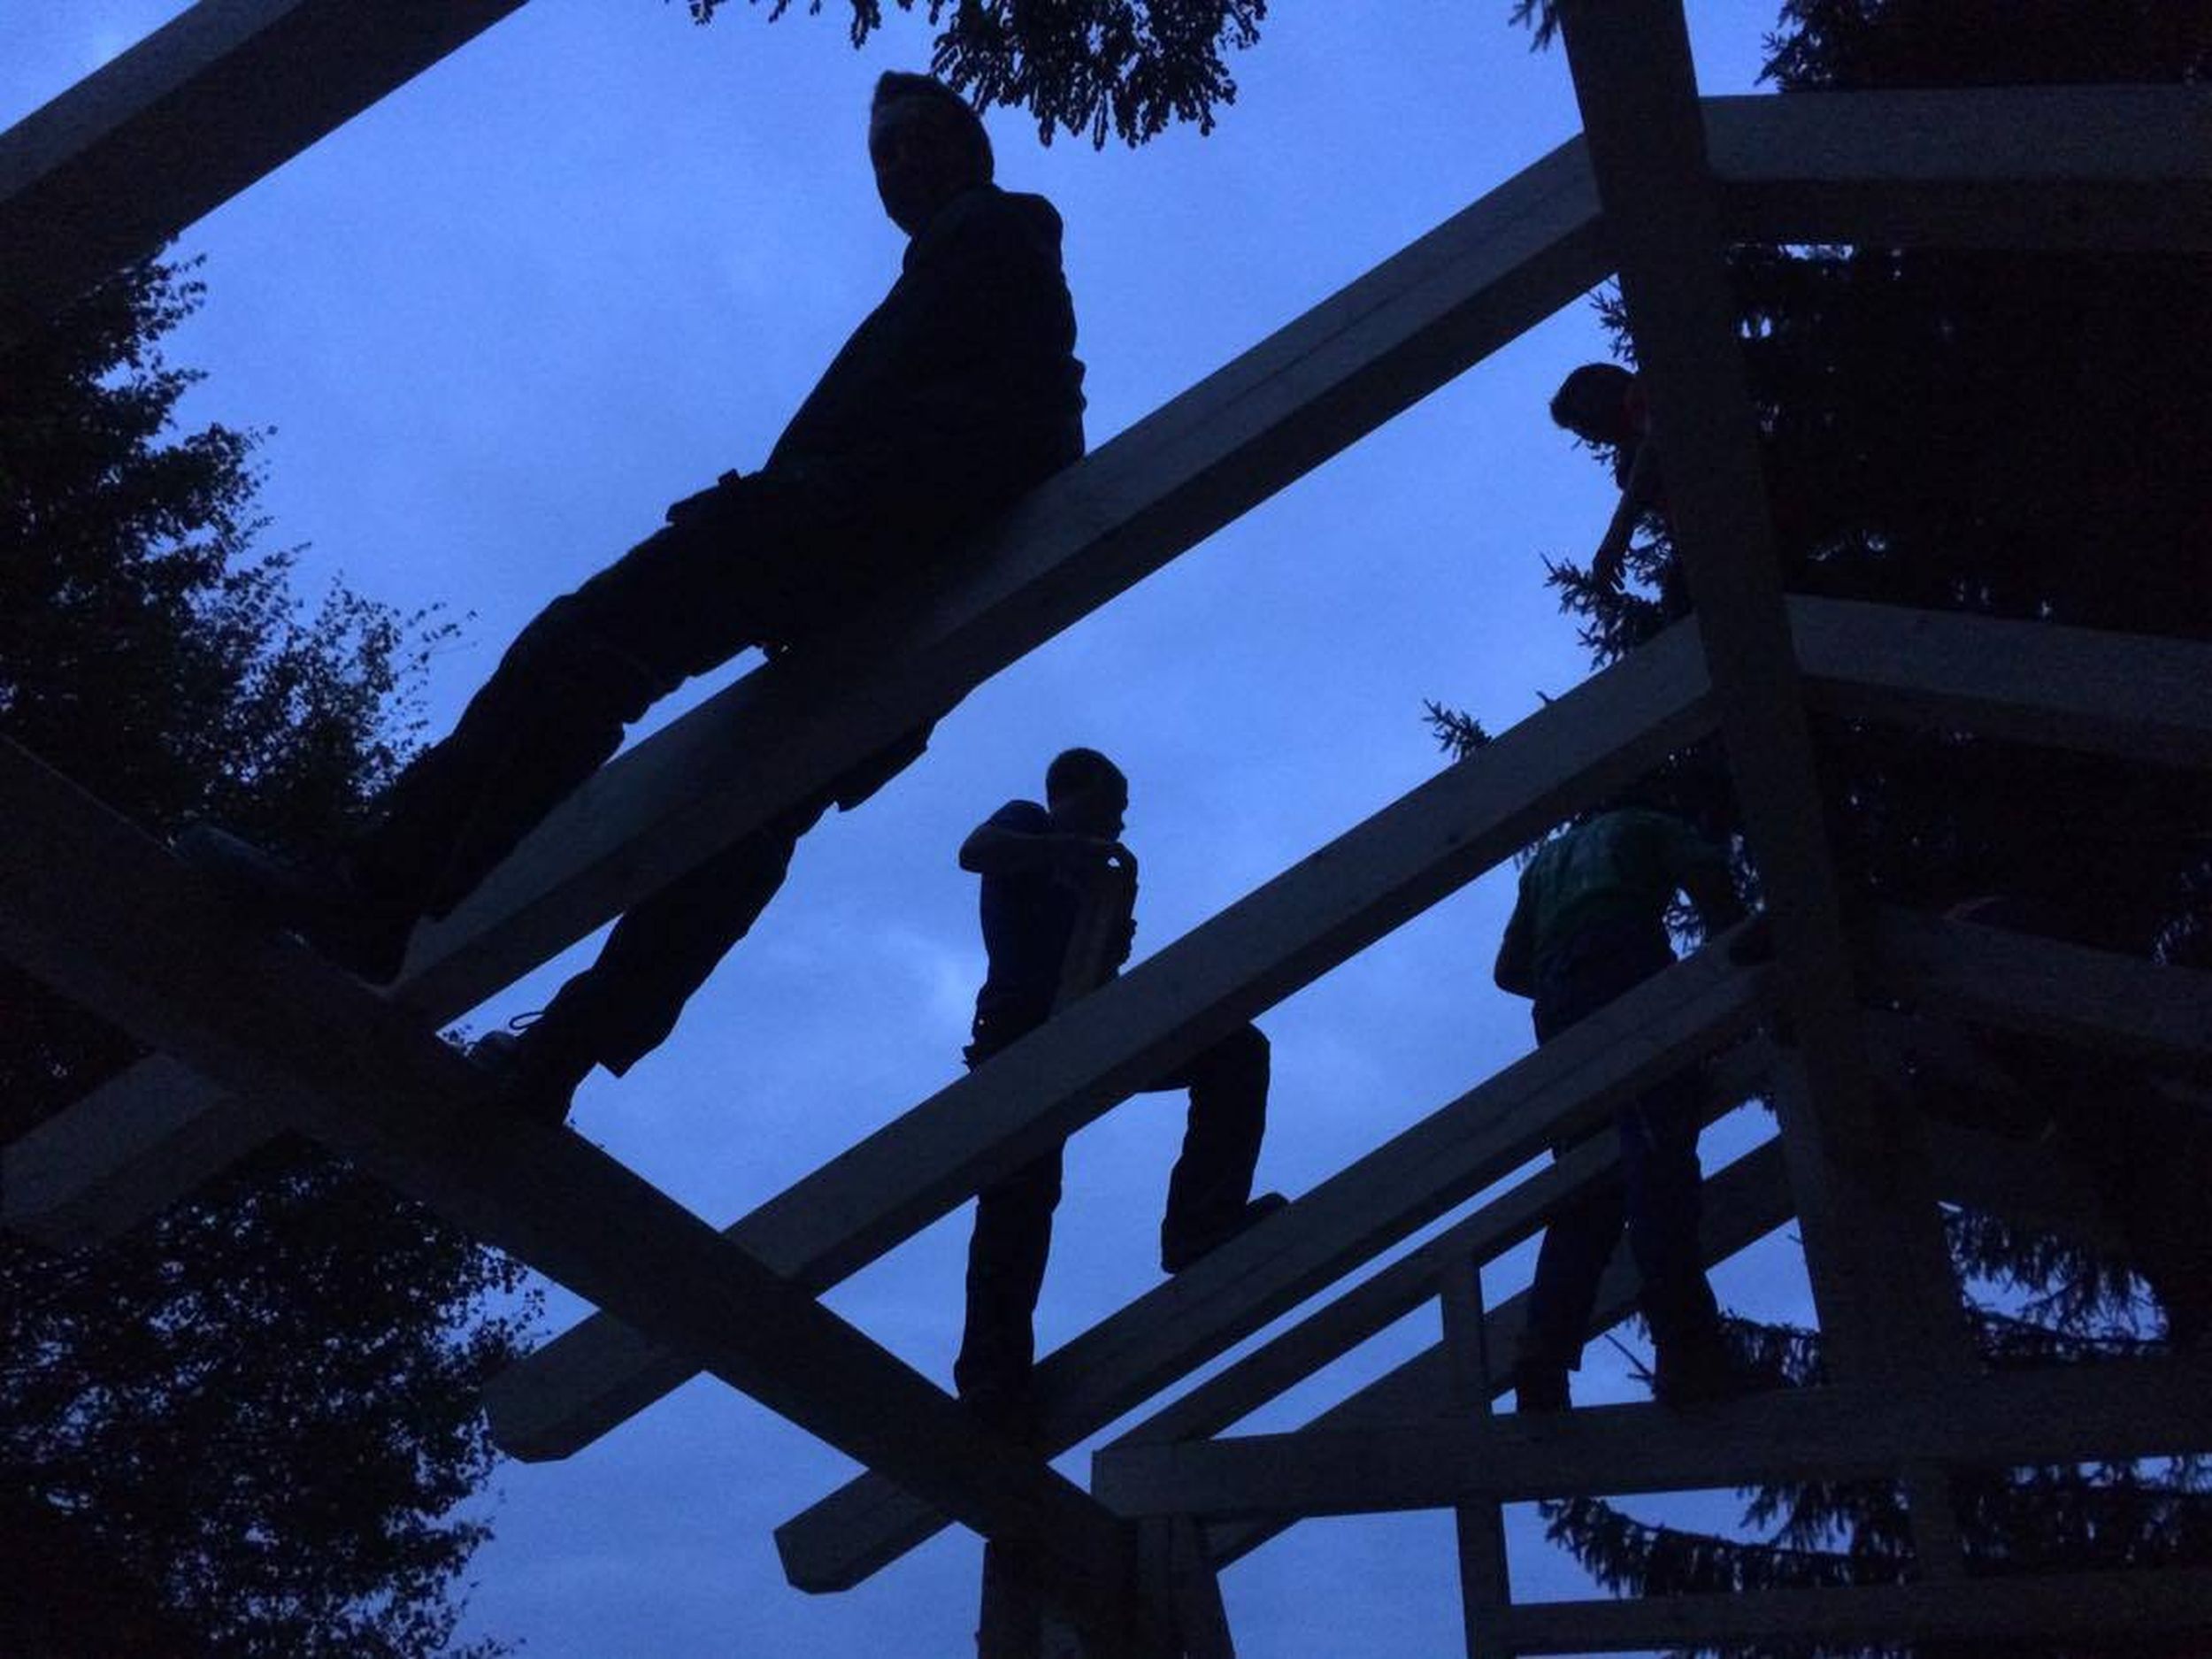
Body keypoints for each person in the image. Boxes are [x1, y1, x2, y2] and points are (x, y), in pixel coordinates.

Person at [180, 73, 1087, 1121]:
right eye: (883, 153)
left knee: (591, 648)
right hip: (885, 578)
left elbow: (1006, 432)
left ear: (970, 150)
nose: (899, 168)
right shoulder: (983, 265)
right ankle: (558, 1052)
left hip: (844, 542)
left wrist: (799, 499)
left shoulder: (993, 238)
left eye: (918, 141)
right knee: (749, 818)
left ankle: (378, 893)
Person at [953, 748, 1284, 1432]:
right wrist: (1067, 851)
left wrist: (1111, 930)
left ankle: (1201, 1223)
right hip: (1020, 1034)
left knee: (1235, 1050)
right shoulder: (1028, 822)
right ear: (1075, 793)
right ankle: (991, 1380)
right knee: (1019, 1199)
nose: (1120, 824)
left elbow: (1093, 968)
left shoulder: (1094, 870)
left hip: (1088, 1024)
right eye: (1114, 807)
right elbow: (974, 850)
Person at [1493, 803, 1746, 1412]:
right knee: (1659, 1157)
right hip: (1627, 963)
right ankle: (1686, 1348)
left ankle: (1543, 1349)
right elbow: (1708, 872)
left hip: (1559, 1004)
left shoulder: (1548, 862)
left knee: (1587, 1182)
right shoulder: (1648, 822)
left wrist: (1563, 977)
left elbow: (1508, 969)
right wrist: (1733, 948)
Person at [1549, 361, 1662, 593]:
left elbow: (1657, 440)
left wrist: (1618, 534)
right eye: (1581, 427)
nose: (1590, 433)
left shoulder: (1647, 389)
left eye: (1585, 416)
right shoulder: (1628, 470)